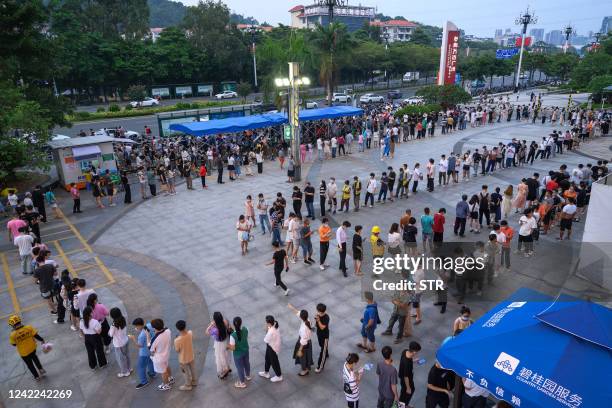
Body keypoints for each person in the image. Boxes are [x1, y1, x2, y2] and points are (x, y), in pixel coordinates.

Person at [8, 315, 47, 380]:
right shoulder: (28, 327)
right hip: (32, 348)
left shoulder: (12, 335)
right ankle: (41, 369)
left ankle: (36, 376)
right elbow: (35, 335)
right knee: (35, 358)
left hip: (24, 353)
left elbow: (14, 344)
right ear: (20, 321)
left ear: (12, 325)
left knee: (30, 365)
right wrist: (42, 340)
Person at [128, 318, 157, 389]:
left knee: (140, 367)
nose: (135, 328)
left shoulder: (142, 335)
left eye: (136, 326)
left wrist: (133, 338)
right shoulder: (149, 325)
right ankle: (152, 373)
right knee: (150, 361)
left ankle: (144, 382)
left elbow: (139, 345)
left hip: (144, 353)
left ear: (138, 325)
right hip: (151, 349)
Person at [80, 306, 108, 370]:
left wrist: (84, 337)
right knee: (99, 351)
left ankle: (93, 365)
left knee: (90, 352)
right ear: (90, 313)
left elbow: (81, 330)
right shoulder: (95, 322)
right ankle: (102, 364)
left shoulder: (82, 321)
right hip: (95, 337)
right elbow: (99, 332)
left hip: (87, 337)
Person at [288, 306, 314, 376]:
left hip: (304, 345)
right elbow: (298, 312)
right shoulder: (307, 320)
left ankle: (305, 370)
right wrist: (291, 307)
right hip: (308, 342)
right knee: (306, 356)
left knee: (303, 357)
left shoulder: (304, 329)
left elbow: (303, 341)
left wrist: (300, 349)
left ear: (301, 318)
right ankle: (306, 367)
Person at [150, 319, 174, 391]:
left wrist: (148, 336)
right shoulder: (168, 330)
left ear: (154, 328)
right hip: (166, 354)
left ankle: (166, 384)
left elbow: (151, 349)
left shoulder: (155, 339)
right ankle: (170, 378)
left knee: (163, 372)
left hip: (159, 358)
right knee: (166, 366)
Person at [206, 312, 231, 379]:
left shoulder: (215, 330)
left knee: (220, 357)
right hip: (226, 341)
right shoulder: (225, 321)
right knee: (226, 354)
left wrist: (211, 325)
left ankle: (225, 370)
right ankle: (228, 367)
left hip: (219, 344)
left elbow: (207, 332)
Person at [259, 315, 283, 382]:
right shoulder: (275, 324)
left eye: (266, 322)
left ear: (269, 323)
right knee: (267, 359)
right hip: (271, 345)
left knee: (274, 362)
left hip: (273, 347)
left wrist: (266, 328)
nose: (266, 323)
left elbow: (265, 340)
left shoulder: (271, 331)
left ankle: (279, 376)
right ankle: (266, 372)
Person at [174, 320, 197, 391]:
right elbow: (192, 337)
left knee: (185, 372)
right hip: (191, 356)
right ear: (185, 326)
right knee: (193, 369)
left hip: (183, 359)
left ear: (177, 328)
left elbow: (177, 350)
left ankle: (188, 385)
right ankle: (194, 381)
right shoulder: (190, 333)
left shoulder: (177, 340)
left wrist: (176, 339)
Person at [228, 316, 250, 388]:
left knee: (240, 368)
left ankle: (242, 383)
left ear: (234, 324)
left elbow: (233, 348)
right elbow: (245, 337)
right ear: (241, 323)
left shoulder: (232, 336)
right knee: (247, 363)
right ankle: (248, 376)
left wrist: (228, 346)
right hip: (246, 350)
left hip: (238, 355)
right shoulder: (245, 329)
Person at [109, 307, 132, 378]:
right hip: (125, 340)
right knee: (127, 355)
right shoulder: (123, 319)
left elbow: (110, 334)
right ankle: (129, 368)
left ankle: (125, 372)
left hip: (118, 344)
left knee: (121, 358)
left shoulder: (114, 325)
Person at [398, 341, 422, 406]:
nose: (417, 353)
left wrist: (413, 361)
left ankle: (402, 405)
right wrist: (408, 388)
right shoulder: (407, 363)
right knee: (407, 393)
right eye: (417, 351)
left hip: (402, 376)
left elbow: (404, 361)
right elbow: (406, 377)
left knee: (404, 393)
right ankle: (402, 406)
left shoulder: (405, 351)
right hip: (406, 380)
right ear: (414, 351)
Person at [312, 303, 330, 373]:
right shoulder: (318, 315)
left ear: (320, 311)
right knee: (321, 345)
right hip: (319, 334)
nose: (316, 312)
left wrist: (319, 320)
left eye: (317, 311)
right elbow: (316, 324)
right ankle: (326, 352)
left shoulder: (326, 317)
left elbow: (322, 327)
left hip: (325, 336)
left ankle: (320, 366)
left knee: (322, 352)